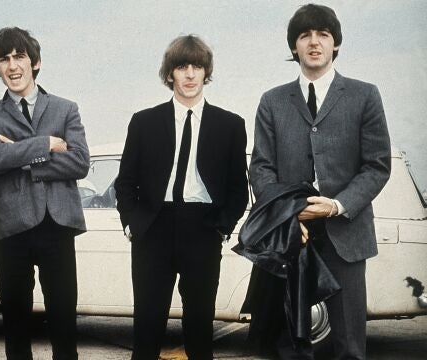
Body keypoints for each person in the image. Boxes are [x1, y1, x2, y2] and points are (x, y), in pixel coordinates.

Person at [249, 4, 391, 359]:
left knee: (348, 346)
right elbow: (261, 167)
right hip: (292, 238)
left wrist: (337, 205)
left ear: (336, 44)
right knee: (288, 344)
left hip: (347, 234)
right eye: (304, 35)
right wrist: (288, 216)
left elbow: (377, 165)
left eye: (323, 34)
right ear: (294, 47)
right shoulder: (272, 101)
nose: (314, 42)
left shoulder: (365, 95)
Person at [114, 35, 249, 360]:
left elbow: (238, 189)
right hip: (152, 229)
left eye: (197, 66)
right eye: (182, 66)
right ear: (170, 73)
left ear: (206, 72)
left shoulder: (230, 125)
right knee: (147, 325)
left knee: (200, 327)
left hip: (203, 229)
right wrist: (133, 224)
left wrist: (221, 227)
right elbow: (125, 183)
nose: (190, 74)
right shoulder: (144, 122)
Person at [0, 27, 90, 360]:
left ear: (35, 62)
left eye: (19, 57)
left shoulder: (66, 109)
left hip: (57, 225)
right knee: (15, 323)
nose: (12, 66)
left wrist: (24, 157)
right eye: (3, 59)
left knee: (64, 321)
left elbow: (80, 162)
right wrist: (46, 145)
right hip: (12, 229)